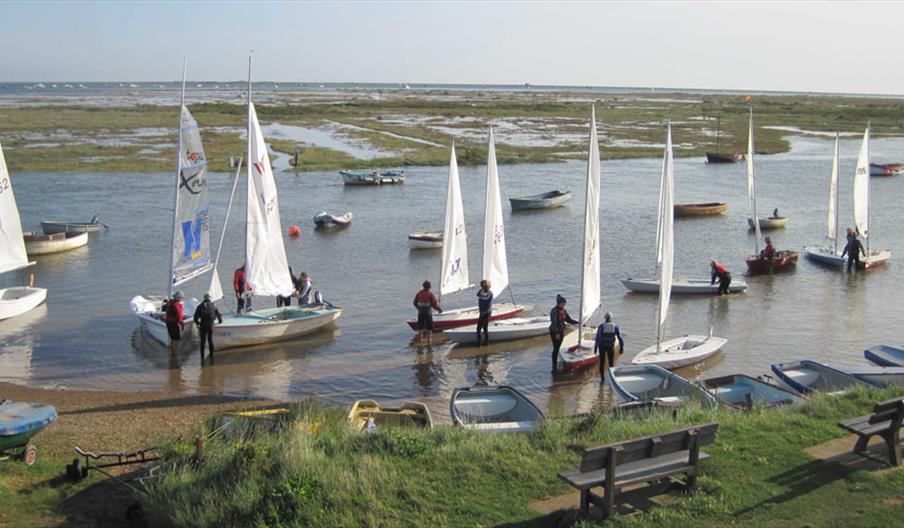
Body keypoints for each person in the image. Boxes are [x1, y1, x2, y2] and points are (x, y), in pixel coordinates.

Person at [548, 294, 579, 373]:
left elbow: (569, 319)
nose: (564, 304)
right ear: (560, 303)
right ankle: (554, 366)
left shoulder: (563, 310)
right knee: (556, 348)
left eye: (565, 303)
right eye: (563, 303)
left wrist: (578, 322)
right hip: (555, 332)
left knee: (558, 347)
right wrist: (556, 333)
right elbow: (554, 323)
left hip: (561, 331)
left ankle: (556, 363)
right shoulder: (554, 311)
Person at [594, 312, 625, 383]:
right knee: (611, 363)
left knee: (602, 363)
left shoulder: (601, 326)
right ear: (611, 318)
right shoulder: (615, 326)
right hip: (610, 347)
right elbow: (620, 338)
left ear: (605, 318)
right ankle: (612, 379)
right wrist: (621, 347)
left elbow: (598, 338)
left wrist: (595, 348)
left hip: (602, 346)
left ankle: (602, 379)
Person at [193, 292, 223, 360]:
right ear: (210, 298)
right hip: (210, 324)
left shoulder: (200, 306)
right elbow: (218, 314)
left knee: (203, 341)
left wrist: (198, 323)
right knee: (210, 339)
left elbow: (195, 317)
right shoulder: (214, 305)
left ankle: (202, 356)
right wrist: (220, 321)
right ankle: (212, 355)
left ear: (204, 298)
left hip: (203, 324)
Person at [413, 280, 443, 345]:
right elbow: (434, 304)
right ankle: (429, 341)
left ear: (423, 286)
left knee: (420, 327)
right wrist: (439, 309)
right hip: (428, 313)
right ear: (429, 287)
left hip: (420, 313)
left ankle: (420, 341)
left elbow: (414, 302)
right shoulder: (430, 294)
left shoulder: (419, 293)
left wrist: (419, 308)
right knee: (430, 328)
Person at [164, 290, 185, 356]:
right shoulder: (177, 305)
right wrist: (182, 325)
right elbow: (180, 316)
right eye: (181, 298)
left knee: (173, 338)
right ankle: (174, 352)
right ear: (179, 298)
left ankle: (173, 352)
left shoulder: (169, 302)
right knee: (176, 339)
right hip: (174, 323)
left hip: (168, 322)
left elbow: (166, 311)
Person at [475, 279, 493, 346]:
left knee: (484, 328)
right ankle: (479, 344)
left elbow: (486, 300)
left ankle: (486, 344)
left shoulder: (490, 293)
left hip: (487, 312)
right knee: (479, 328)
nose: (482, 287)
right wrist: (481, 292)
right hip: (482, 312)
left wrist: (484, 312)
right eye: (482, 286)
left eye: (484, 286)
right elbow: (477, 294)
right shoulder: (481, 291)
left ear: (487, 286)